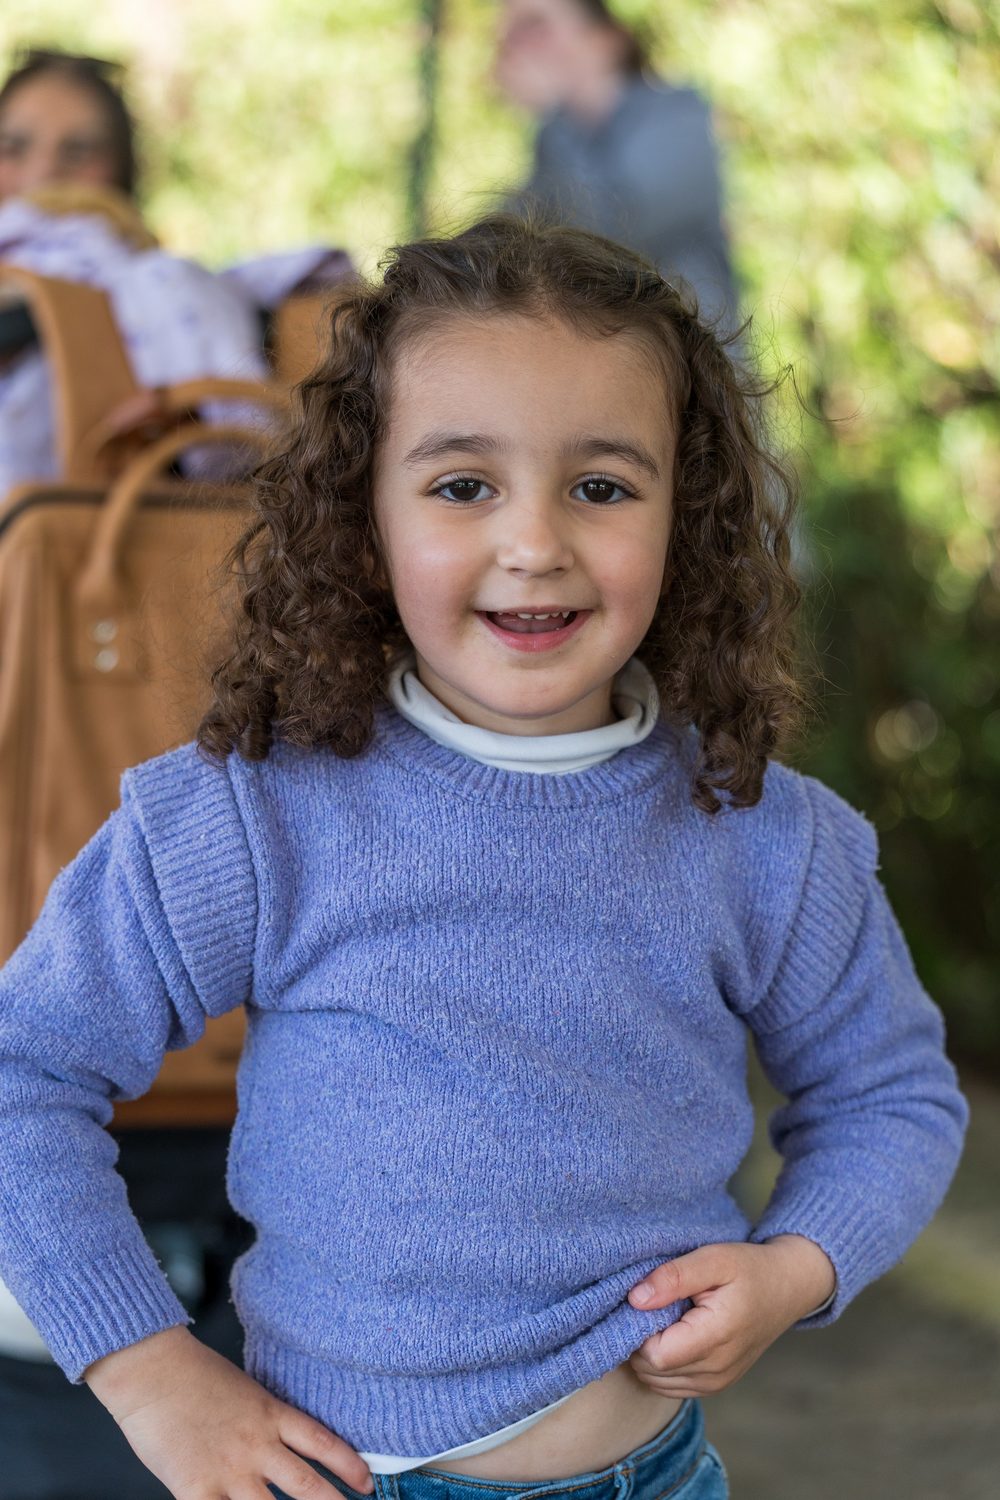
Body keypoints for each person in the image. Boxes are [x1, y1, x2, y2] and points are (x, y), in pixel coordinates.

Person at [0, 215, 967, 1500]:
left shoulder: (766, 835)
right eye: (463, 486)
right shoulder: (254, 814)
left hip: (653, 1478)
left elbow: (889, 1097)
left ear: (687, 524)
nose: (534, 542)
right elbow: (20, 1070)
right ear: (362, 521)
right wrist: (149, 1373)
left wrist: (798, 1267)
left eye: (602, 487)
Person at [496, 0, 738, 334]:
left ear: (605, 40)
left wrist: (554, 114)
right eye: (509, 34)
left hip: (685, 357)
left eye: (535, 27)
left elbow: (610, 232)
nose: (515, 47)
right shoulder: (558, 146)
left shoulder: (678, 117)